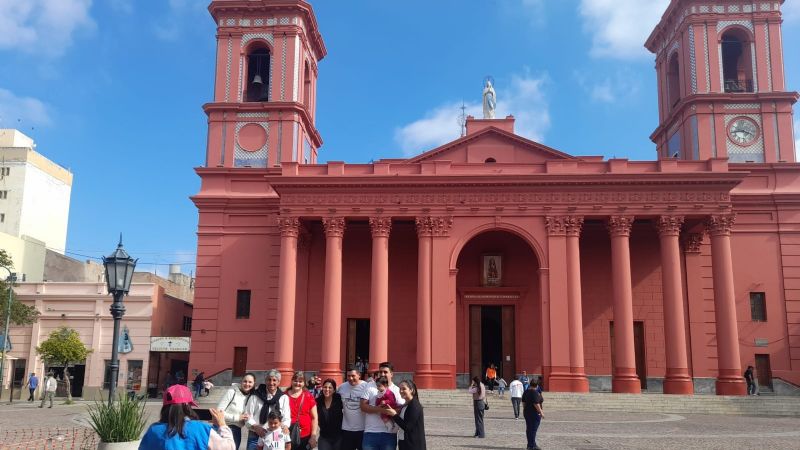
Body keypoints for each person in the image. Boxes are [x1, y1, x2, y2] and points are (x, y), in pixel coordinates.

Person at [139, 384, 235, 450]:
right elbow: (229, 447)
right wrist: (222, 425)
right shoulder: (201, 429)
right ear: (187, 406)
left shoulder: (153, 429)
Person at [360, 362, 405, 450]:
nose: (382, 374)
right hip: (370, 432)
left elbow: (401, 409)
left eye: (385, 372)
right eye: (380, 372)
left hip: (389, 434)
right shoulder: (370, 386)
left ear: (391, 374)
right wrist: (380, 409)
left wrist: (390, 411)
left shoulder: (396, 389)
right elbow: (363, 406)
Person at [247, 370, 292, 450]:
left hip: (275, 434)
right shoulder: (255, 396)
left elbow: (286, 417)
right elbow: (247, 415)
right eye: (269, 380)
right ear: (265, 380)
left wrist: (285, 426)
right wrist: (256, 427)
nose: (271, 383)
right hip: (255, 434)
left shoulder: (283, 398)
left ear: (279, 382)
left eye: (274, 380)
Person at [217, 372, 258, 448]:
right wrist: (237, 417)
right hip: (225, 426)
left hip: (238, 430)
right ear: (241, 381)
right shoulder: (232, 391)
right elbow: (218, 412)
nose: (247, 384)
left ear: (254, 383)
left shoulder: (252, 396)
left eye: (250, 382)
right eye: (245, 381)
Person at [384, 380, 426, 450]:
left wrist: (394, 415)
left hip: (413, 445)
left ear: (411, 390)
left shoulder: (414, 405)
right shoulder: (405, 405)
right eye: (400, 389)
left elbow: (407, 427)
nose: (401, 391)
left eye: (404, 389)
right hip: (404, 442)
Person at [286, 371, 319, 450]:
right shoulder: (284, 396)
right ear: (291, 381)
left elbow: (314, 417)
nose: (297, 383)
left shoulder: (308, 396)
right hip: (287, 435)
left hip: (305, 435)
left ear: (304, 383)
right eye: (295, 381)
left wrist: (313, 436)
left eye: (300, 381)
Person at [338, 366, 366, 450]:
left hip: (363, 429)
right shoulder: (342, 387)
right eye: (348, 376)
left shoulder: (366, 386)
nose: (350, 378)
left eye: (353, 376)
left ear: (359, 375)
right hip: (346, 429)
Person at [317, 378, 343, 450]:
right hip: (324, 437)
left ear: (334, 390)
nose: (327, 389)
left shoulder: (339, 399)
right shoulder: (318, 401)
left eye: (330, 388)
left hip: (338, 437)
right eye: (325, 387)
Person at [521, 379, 544, 450]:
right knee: (533, 429)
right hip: (534, 413)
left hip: (527, 412)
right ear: (537, 385)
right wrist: (541, 412)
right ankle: (532, 445)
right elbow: (536, 404)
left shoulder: (526, 391)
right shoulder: (534, 392)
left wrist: (525, 409)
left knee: (529, 429)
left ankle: (530, 444)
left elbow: (523, 402)